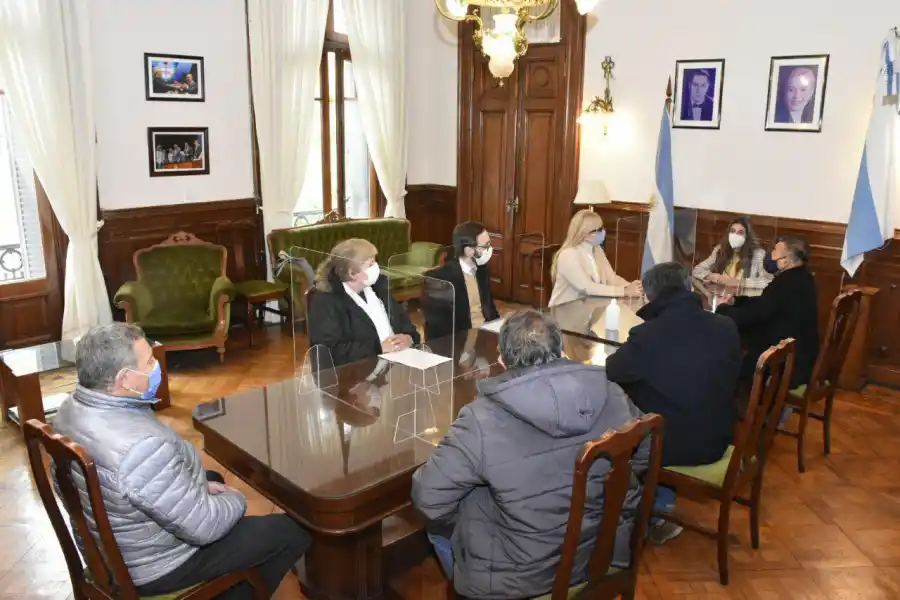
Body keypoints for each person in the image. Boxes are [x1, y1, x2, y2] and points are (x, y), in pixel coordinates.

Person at [52, 323, 310, 599]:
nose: (156, 367)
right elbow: (206, 526)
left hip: (110, 544)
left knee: (214, 481)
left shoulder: (69, 410)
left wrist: (198, 489)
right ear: (125, 379)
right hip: (153, 567)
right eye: (149, 361)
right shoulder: (142, 447)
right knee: (290, 530)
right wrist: (237, 499)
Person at [412, 310, 648, 598]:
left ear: (501, 360)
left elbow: (429, 499)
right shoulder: (612, 392)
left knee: (439, 527)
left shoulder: (479, 419)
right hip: (602, 549)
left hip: (519, 577)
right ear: (561, 350)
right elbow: (643, 451)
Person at [606, 262, 741, 542]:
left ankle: (637, 516)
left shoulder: (649, 334)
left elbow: (613, 371)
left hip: (678, 445)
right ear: (689, 287)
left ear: (651, 296)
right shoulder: (726, 325)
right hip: (719, 436)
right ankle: (660, 503)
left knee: (617, 429)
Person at [717, 236, 820, 391]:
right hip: (800, 353)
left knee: (738, 358)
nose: (770, 255)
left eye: (774, 252)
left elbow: (756, 314)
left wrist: (723, 311)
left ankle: (746, 405)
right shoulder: (802, 277)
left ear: (785, 261)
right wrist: (736, 302)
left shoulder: (785, 284)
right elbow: (765, 304)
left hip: (786, 364)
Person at [308, 238, 420, 366]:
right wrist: (378, 348)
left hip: (394, 367)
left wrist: (409, 337)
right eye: (370, 264)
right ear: (352, 273)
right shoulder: (326, 301)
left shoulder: (379, 287)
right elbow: (329, 352)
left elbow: (406, 324)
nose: (376, 267)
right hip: (352, 377)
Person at [549, 209, 642, 307]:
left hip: (587, 310)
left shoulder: (597, 249)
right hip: (564, 312)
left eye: (602, 228)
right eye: (599, 230)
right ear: (585, 234)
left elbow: (612, 278)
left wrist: (632, 287)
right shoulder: (568, 255)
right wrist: (625, 291)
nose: (603, 232)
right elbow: (587, 287)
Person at [423, 221, 499, 341]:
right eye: (485, 246)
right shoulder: (440, 278)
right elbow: (439, 326)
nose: (490, 250)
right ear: (469, 251)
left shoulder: (482, 269)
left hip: (486, 334)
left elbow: (490, 307)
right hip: (461, 340)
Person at [692, 216, 772, 290]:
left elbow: (768, 281)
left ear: (747, 236)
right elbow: (697, 270)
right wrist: (712, 276)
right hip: (723, 297)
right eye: (732, 231)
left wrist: (739, 283)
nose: (735, 235)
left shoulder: (758, 254)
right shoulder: (720, 250)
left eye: (740, 232)